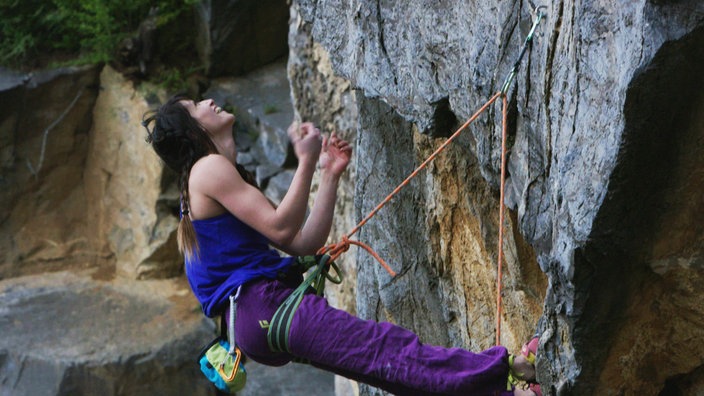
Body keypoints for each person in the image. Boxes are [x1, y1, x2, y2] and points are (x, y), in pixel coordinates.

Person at [143, 95, 541, 396]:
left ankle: (502, 386)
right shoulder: (208, 169)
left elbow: (302, 242)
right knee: (384, 349)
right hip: (260, 306)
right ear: (193, 132)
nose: (208, 101)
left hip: (256, 319)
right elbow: (283, 230)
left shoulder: (208, 179)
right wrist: (304, 160)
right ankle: (512, 369)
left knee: (381, 366)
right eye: (196, 108)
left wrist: (328, 175)